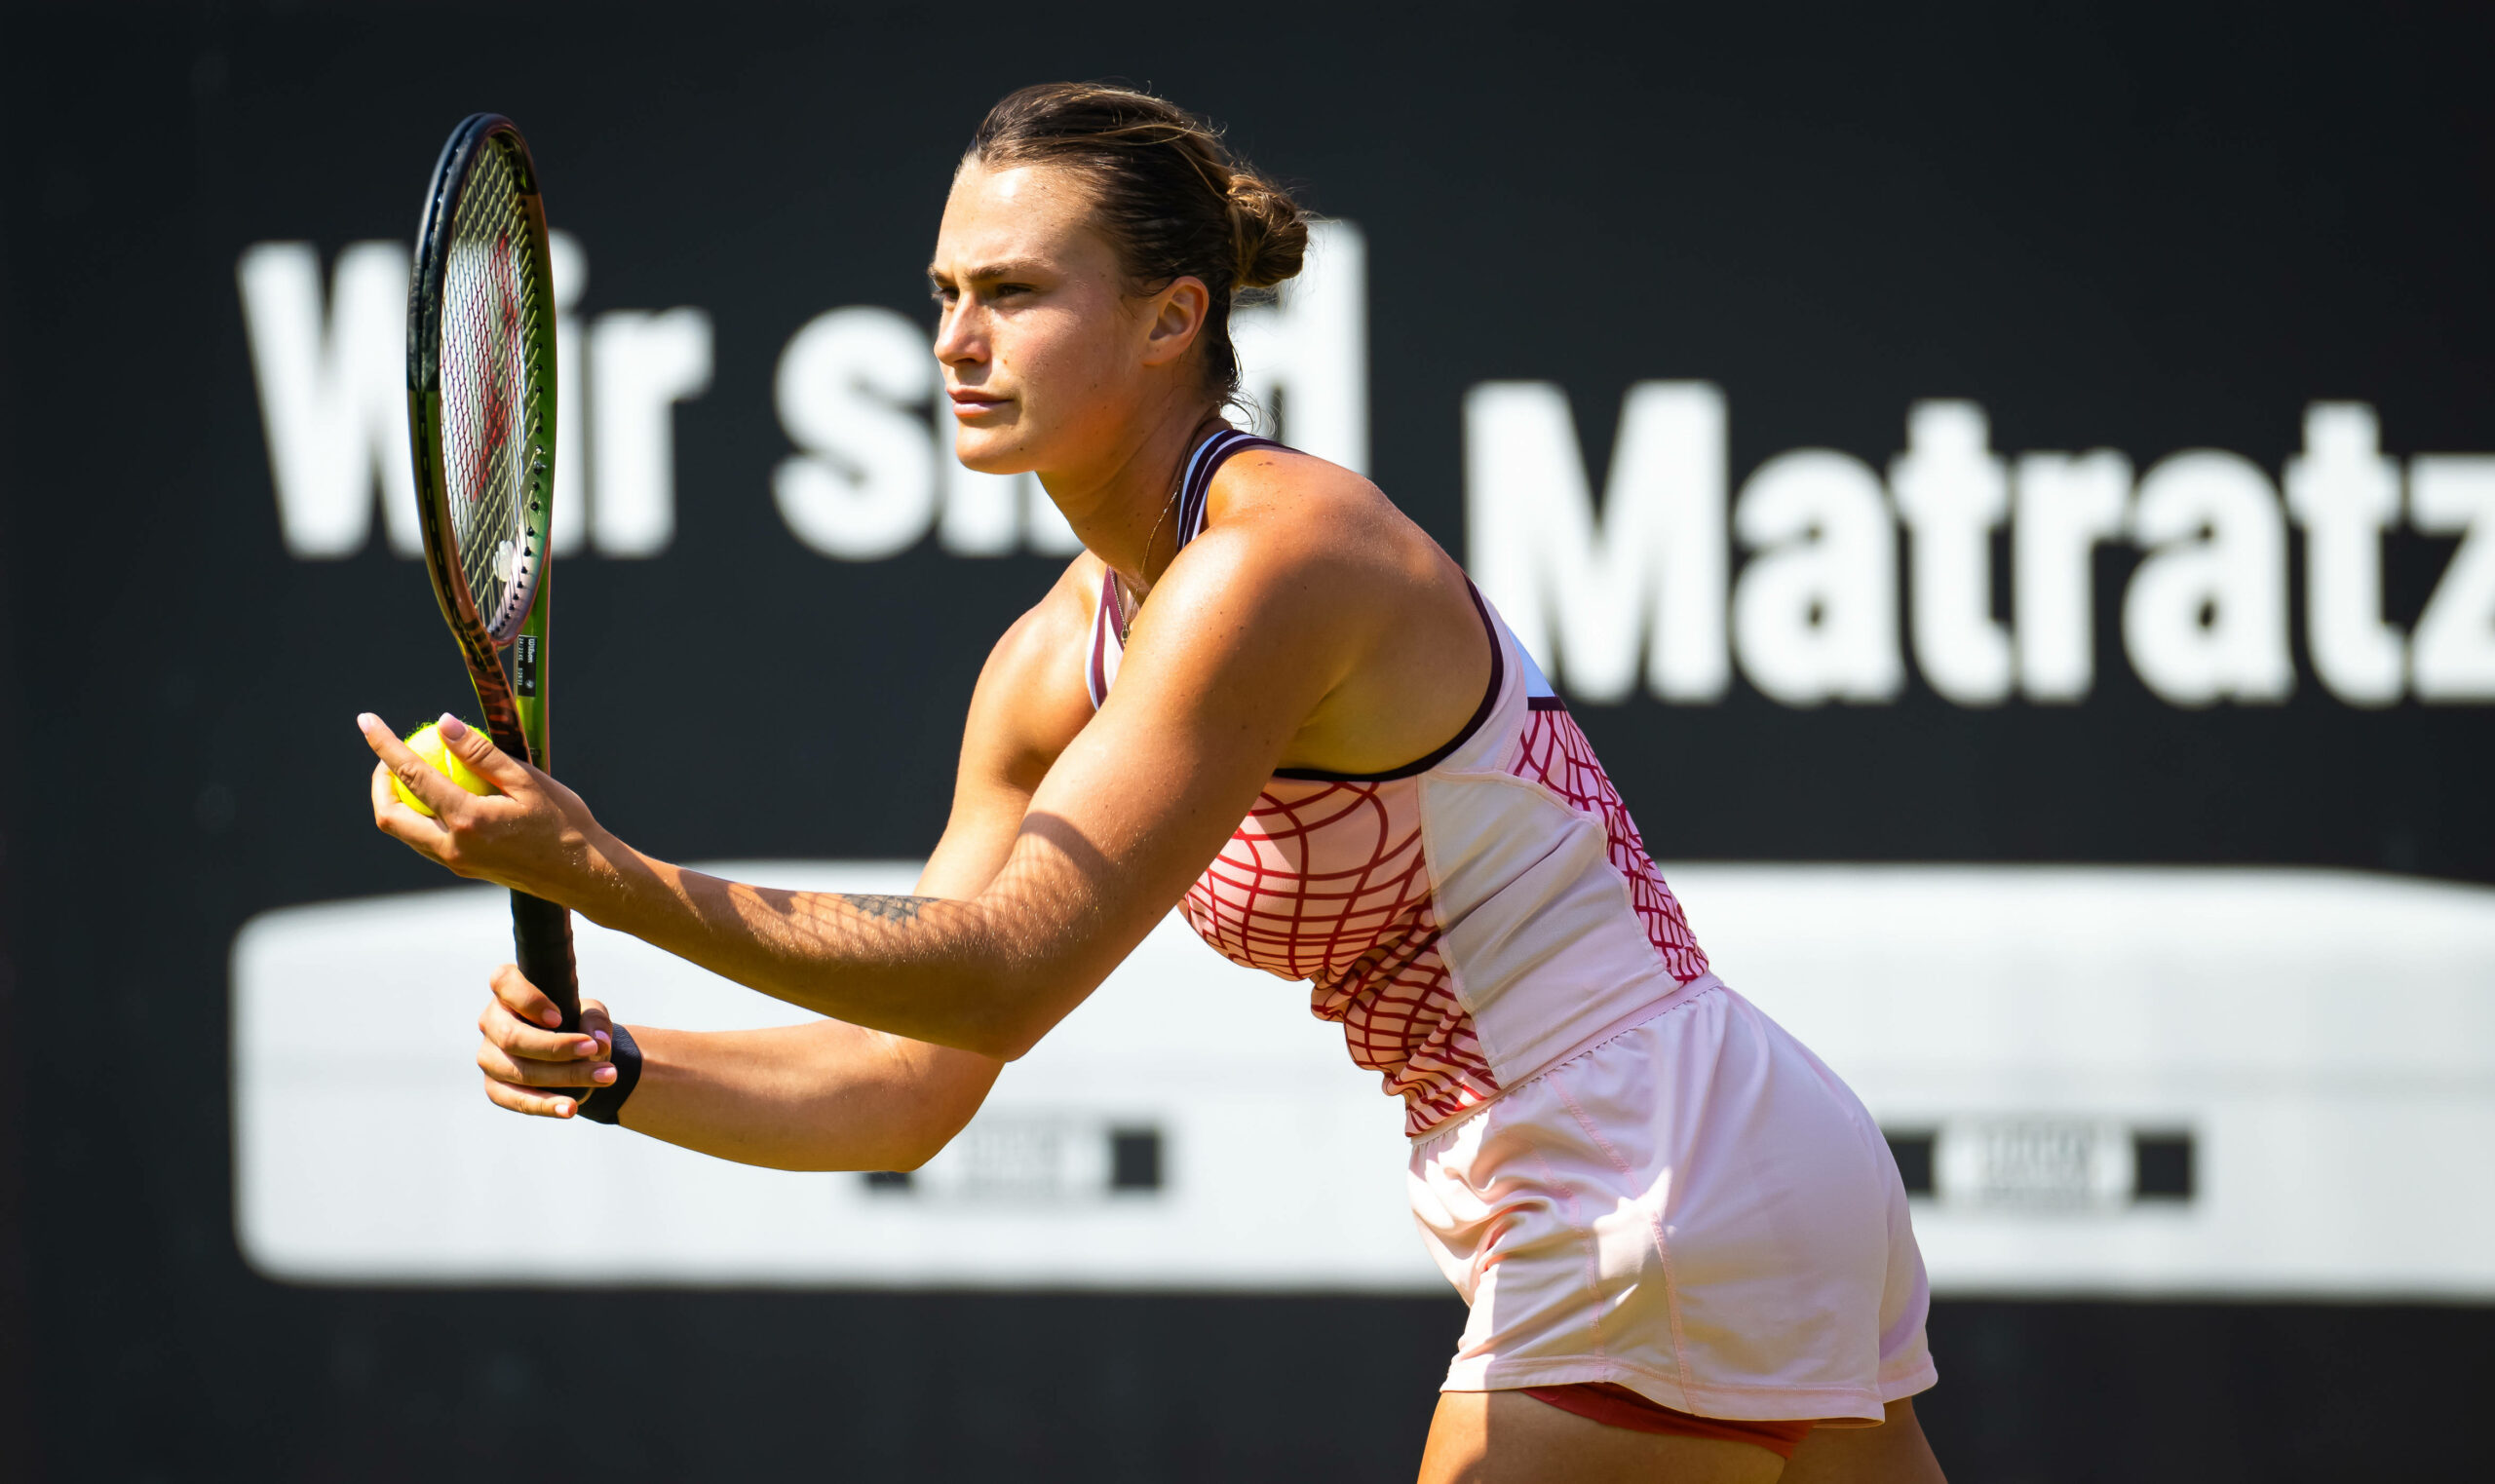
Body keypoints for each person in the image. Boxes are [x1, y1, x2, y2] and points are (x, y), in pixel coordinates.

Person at [361, 81, 1946, 1484]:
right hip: (1697, 1157)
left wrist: (606, 879)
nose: (954, 342)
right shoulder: (1053, 666)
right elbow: (910, 1084)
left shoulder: (1282, 557)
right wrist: (626, 1064)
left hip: (1642, 1160)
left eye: (1014, 293)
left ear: (1173, 318)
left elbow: (1001, 978)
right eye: (942, 293)